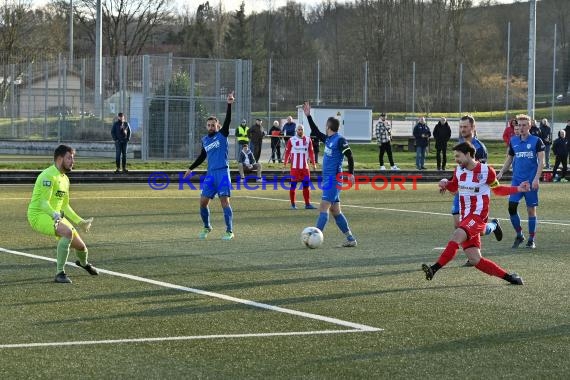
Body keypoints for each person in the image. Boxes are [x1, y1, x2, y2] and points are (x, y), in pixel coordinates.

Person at [422, 141, 527, 285]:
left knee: (457, 235)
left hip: (478, 216)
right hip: (466, 217)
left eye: (458, 156)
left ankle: (434, 268)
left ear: (468, 154)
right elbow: (454, 186)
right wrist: (445, 183)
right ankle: (510, 278)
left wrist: (518, 189)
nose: (456, 160)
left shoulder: (486, 171)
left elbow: (497, 189)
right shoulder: (459, 170)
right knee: (475, 260)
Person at [27, 145, 98, 284]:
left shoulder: (65, 179)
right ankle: (60, 273)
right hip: (39, 215)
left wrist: (80, 222)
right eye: (69, 158)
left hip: (55, 216)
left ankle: (83, 263)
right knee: (67, 233)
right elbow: (43, 203)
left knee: (81, 247)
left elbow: (65, 205)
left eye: (73, 158)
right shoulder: (47, 176)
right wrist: (54, 215)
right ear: (60, 159)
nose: (73, 161)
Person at [303, 101, 357, 247]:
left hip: (334, 179)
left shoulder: (340, 140)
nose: (324, 127)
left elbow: (350, 156)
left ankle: (314, 238)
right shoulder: (328, 139)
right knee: (335, 210)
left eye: (326, 125)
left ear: (328, 127)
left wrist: (351, 173)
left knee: (323, 207)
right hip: (328, 180)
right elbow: (315, 131)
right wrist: (308, 116)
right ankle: (350, 239)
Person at [184, 91, 235, 241]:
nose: (211, 126)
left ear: (218, 126)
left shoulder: (223, 134)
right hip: (211, 174)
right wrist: (190, 168)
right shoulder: (205, 140)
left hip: (223, 173)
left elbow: (228, 120)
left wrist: (229, 104)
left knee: (224, 201)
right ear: (207, 126)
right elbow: (202, 156)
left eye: (213, 125)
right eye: (209, 125)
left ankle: (229, 230)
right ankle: (207, 227)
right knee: (203, 202)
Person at [452, 115, 502, 267]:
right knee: (458, 225)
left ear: (473, 128)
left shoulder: (479, 148)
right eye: (461, 127)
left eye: (465, 127)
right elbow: (459, 169)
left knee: (472, 228)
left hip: (475, 196)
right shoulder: (459, 144)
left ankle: (492, 226)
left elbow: (483, 174)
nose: (462, 129)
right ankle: (473, 253)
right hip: (462, 192)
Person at [497, 114, 545, 249]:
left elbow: (542, 161)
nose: (521, 127)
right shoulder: (513, 141)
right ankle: (519, 234)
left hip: (531, 181)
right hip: (517, 182)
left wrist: (536, 179)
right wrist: (501, 172)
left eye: (524, 125)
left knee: (531, 210)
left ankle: (531, 239)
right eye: (519, 125)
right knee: (511, 207)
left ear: (530, 126)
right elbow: (509, 159)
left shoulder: (537, 141)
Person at [283, 124, 317, 209]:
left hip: (305, 167)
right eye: (298, 129)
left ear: (303, 130)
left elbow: (311, 153)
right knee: (293, 186)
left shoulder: (308, 140)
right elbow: (287, 153)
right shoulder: (291, 140)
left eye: (301, 129)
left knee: (306, 185)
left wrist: (314, 164)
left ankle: (307, 204)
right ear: (296, 131)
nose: (300, 131)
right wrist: (285, 164)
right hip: (295, 168)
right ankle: (293, 205)